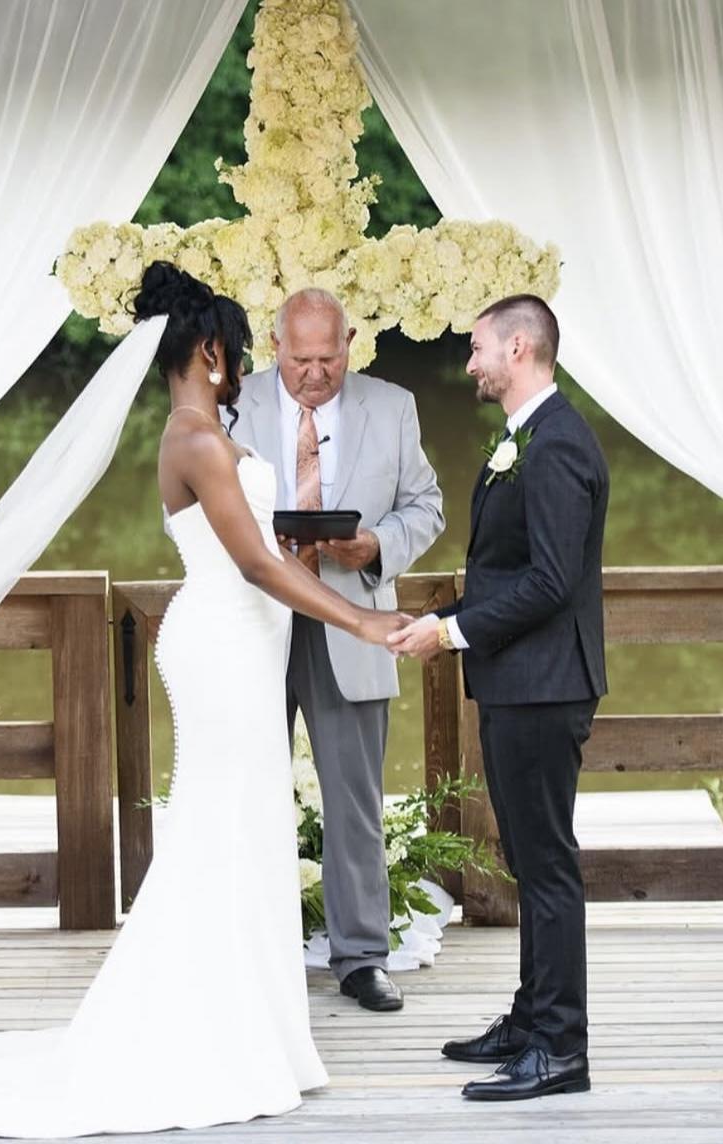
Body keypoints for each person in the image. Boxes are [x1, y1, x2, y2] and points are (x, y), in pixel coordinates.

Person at [0, 262, 405, 1136]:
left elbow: (261, 552)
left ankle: (254, 1026)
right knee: (222, 824)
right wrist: (361, 621)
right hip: (224, 646)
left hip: (245, 645)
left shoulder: (203, 432)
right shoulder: (196, 441)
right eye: (239, 351)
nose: (244, 367)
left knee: (248, 826)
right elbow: (255, 565)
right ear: (210, 351)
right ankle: (206, 1028)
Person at [393, 294, 608, 1100]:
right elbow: (510, 572)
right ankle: (530, 1020)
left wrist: (450, 633)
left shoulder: (556, 446)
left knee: (546, 867)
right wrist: (442, 618)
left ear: (519, 348)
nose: (470, 363)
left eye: (478, 347)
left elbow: (551, 582)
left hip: (545, 687)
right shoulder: (530, 437)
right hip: (523, 683)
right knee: (528, 859)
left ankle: (560, 1048)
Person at [231, 288, 444, 1011]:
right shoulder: (231, 404)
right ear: (275, 346)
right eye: (301, 361)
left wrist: (376, 544)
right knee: (245, 791)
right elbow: (195, 509)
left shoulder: (393, 406)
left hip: (355, 622)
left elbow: (428, 506)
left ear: (350, 343)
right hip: (254, 623)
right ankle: (250, 951)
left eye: (329, 358)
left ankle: (361, 957)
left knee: (356, 801)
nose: (316, 374)